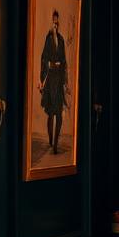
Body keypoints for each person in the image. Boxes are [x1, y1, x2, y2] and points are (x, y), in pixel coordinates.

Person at [38, 10, 67, 155]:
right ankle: (50, 141)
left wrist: (65, 82)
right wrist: (42, 77)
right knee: (51, 113)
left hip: (59, 79)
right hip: (50, 80)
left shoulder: (61, 39)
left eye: (57, 22)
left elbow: (64, 61)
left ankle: (55, 144)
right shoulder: (48, 38)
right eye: (53, 22)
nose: (55, 25)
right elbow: (43, 58)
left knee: (59, 114)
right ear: (51, 22)